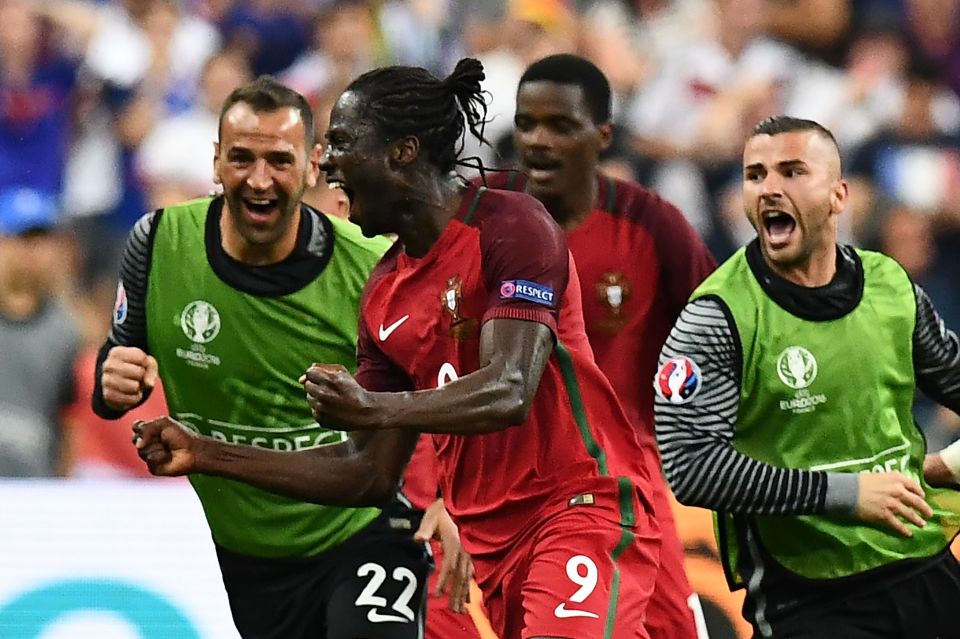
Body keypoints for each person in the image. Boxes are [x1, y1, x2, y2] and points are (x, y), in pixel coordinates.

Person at [134, 58, 663, 639]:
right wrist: (206, 453)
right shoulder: (383, 295)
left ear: (402, 152)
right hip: (493, 548)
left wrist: (373, 407)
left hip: (579, 508)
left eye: (341, 143)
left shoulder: (511, 225)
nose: (327, 163)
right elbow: (366, 473)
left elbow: (510, 387)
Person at [93, 76, 441, 639]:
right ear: (215, 163)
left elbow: (447, 385)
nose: (259, 180)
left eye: (280, 160)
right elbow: (116, 367)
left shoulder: (374, 266)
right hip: (246, 554)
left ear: (313, 166)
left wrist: (451, 497)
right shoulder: (158, 243)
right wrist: (113, 382)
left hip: (365, 530)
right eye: (241, 158)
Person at [654, 115, 960, 638]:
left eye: (792, 172)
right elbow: (690, 466)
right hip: (811, 594)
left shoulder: (890, 287)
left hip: (922, 558)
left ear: (839, 195)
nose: (770, 187)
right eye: (755, 175)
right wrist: (846, 494)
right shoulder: (717, 316)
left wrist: (944, 464)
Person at [478, 53, 716, 639]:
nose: (538, 142)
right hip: (513, 490)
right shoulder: (480, 224)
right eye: (527, 124)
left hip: (630, 480)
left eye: (561, 126)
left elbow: (720, 334)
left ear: (603, 136)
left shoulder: (650, 224)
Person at [0, 187, 81, 477]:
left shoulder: (65, 333)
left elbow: (73, 420)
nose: (30, 251)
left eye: (40, 240)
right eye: (21, 239)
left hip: (36, 491)